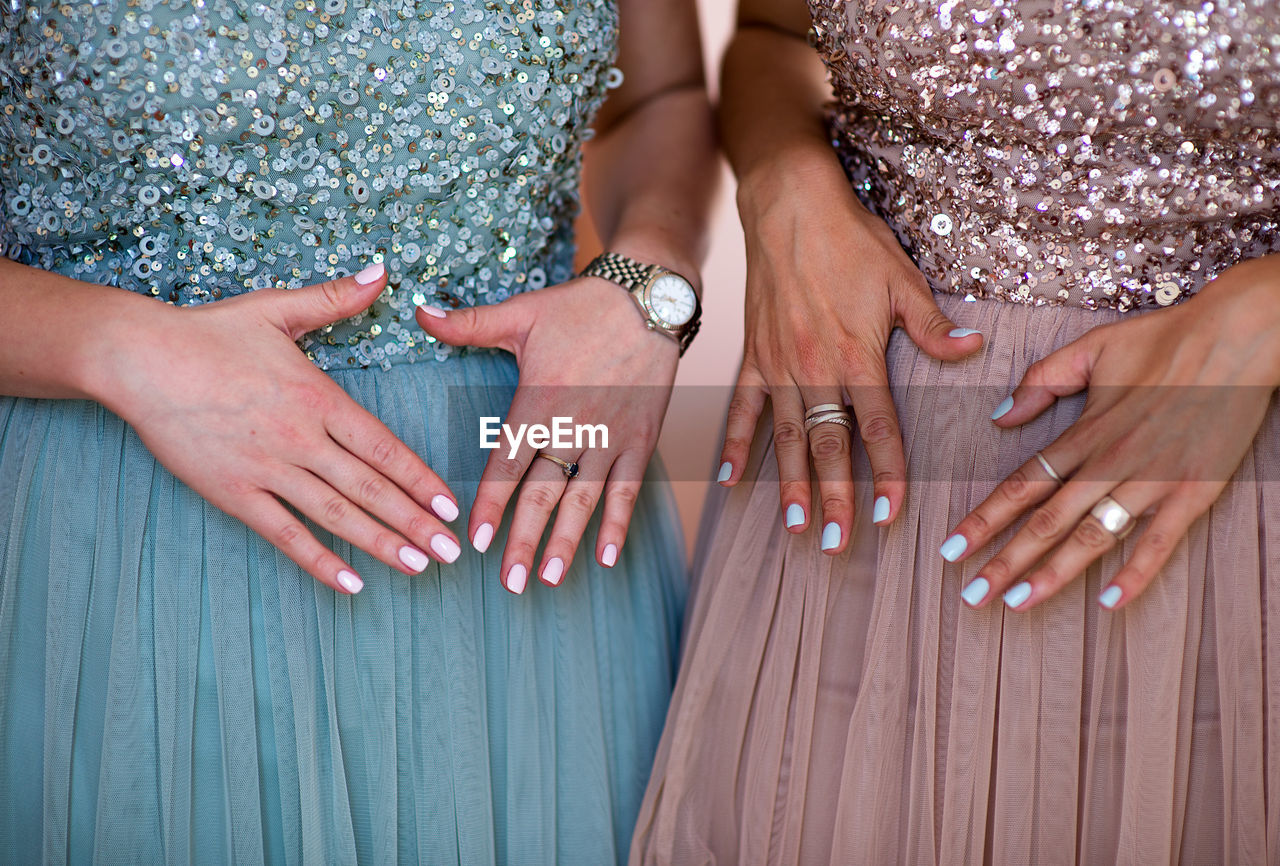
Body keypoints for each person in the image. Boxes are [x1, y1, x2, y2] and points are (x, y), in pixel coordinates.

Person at [0, 0, 714, 861]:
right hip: (135, 523)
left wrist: (644, 287)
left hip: (528, 517)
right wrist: (120, 348)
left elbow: (658, 96)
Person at [634, 0, 1280, 861]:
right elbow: (775, 38)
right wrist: (784, 182)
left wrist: (1262, 315)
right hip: (860, 457)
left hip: (1221, 468)